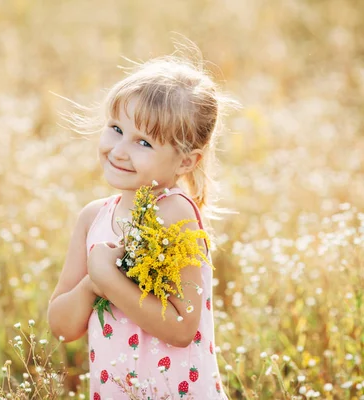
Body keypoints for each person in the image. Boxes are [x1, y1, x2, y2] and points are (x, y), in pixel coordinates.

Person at [47, 55, 236, 399]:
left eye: (144, 142)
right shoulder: (94, 218)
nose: (119, 151)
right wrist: (92, 285)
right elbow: (61, 327)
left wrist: (109, 280)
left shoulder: (175, 212)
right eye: (116, 129)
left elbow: (182, 329)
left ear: (186, 160)